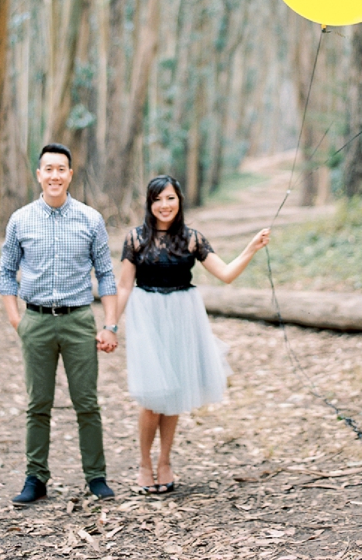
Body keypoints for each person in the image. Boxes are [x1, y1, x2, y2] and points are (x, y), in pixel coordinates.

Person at [116, 175, 270, 494]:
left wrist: (251, 248)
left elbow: (226, 274)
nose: (164, 205)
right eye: (157, 199)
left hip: (182, 317)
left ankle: (165, 462)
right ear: (149, 203)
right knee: (151, 395)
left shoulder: (192, 238)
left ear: (180, 200)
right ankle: (144, 464)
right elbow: (124, 285)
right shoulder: (135, 239)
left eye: (170, 198)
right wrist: (110, 325)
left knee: (173, 392)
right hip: (147, 317)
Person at [0, 143, 119, 504]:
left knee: (87, 402)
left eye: (60, 169)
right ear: (39, 175)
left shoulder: (90, 219)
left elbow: (106, 274)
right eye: (47, 169)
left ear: (70, 174)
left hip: (79, 320)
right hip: (35, 320)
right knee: (38, 404)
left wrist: (110, 325)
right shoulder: (20, 219)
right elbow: (6, 272)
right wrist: (16, 320)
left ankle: (95, 476)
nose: (54, 175)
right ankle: (35, 478)